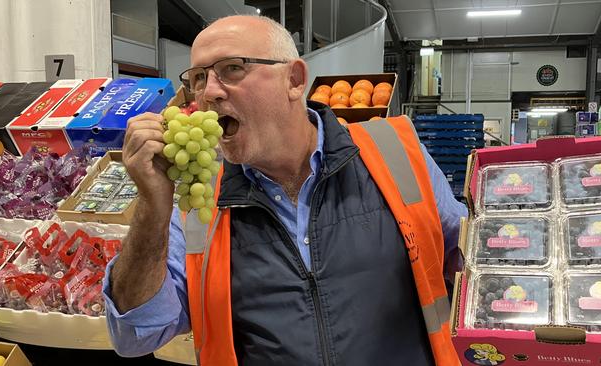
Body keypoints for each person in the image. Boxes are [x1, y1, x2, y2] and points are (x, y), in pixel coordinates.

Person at [103, 15, 467, 366]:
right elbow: (136, 335)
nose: (208, 92)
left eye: (232, 68)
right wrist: (152, 207)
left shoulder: (395, 151)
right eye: (198, 77)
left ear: (294, 80)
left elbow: (468, 260)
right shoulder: (198, 203)